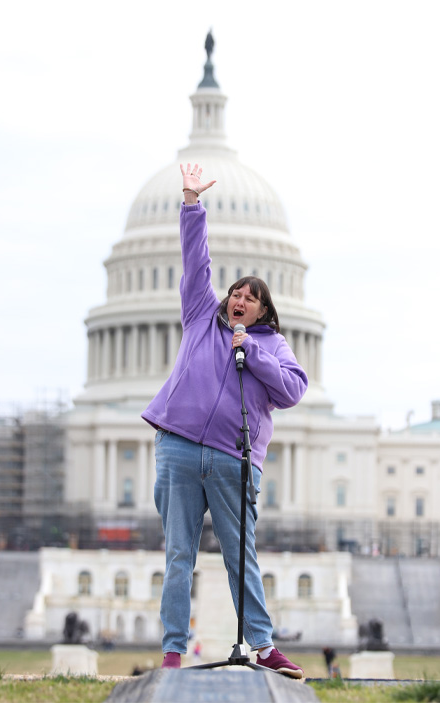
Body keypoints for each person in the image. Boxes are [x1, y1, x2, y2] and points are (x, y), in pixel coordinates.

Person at [141, 163, 308, 678]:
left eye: (250, 297)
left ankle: (262, 646)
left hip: (234, 458)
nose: (239, 300)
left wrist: (251, 355)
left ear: (262, 311)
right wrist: (192, 204)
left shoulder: (270, 347)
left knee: (242, 556)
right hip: (180, 447)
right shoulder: (198, 314)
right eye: (236, 292)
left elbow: (292, 390)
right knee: (178, 555)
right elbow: (196, 261)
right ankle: (173, 651)